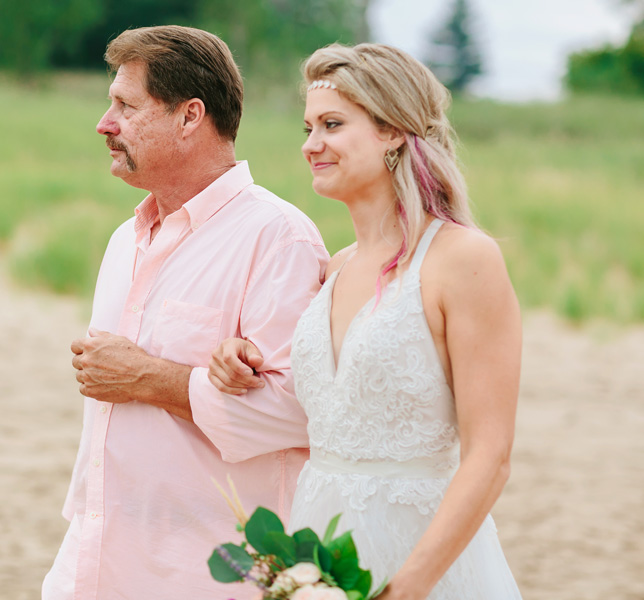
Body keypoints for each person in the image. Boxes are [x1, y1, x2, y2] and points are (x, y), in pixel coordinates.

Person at [208, 43, 523, 599]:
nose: (311, 145)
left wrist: (406, 588)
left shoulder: (463, 260)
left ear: (394, 131)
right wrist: (240, 357)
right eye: (308, 127)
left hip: (424, 560)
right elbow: (332, 395)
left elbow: (490, 456)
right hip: (320, 549)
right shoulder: (335, 267)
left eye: (332, 124)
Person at [41, 26, 329, 599]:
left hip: (212, 575)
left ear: (190, 115)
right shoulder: (126, 239)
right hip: (95, 559)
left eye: (125, 105)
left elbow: (301, 414)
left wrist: (150, 378)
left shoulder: (278, 239)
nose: (105, 123)